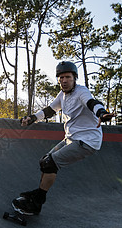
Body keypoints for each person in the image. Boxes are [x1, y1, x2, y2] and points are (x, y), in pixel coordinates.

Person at [13, 61, 115, 215]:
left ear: (74, 78)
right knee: (45, 161)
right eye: (61, 78)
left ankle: (37, 202)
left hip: (87, 141)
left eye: (67, 77)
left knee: (50, 163)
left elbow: (92, 103)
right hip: (71, 138)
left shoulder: (82, 91)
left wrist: (102, 113)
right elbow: (49, 110)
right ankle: (37, 199)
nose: (64, 81)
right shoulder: (62, 95)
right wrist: (32, 118)